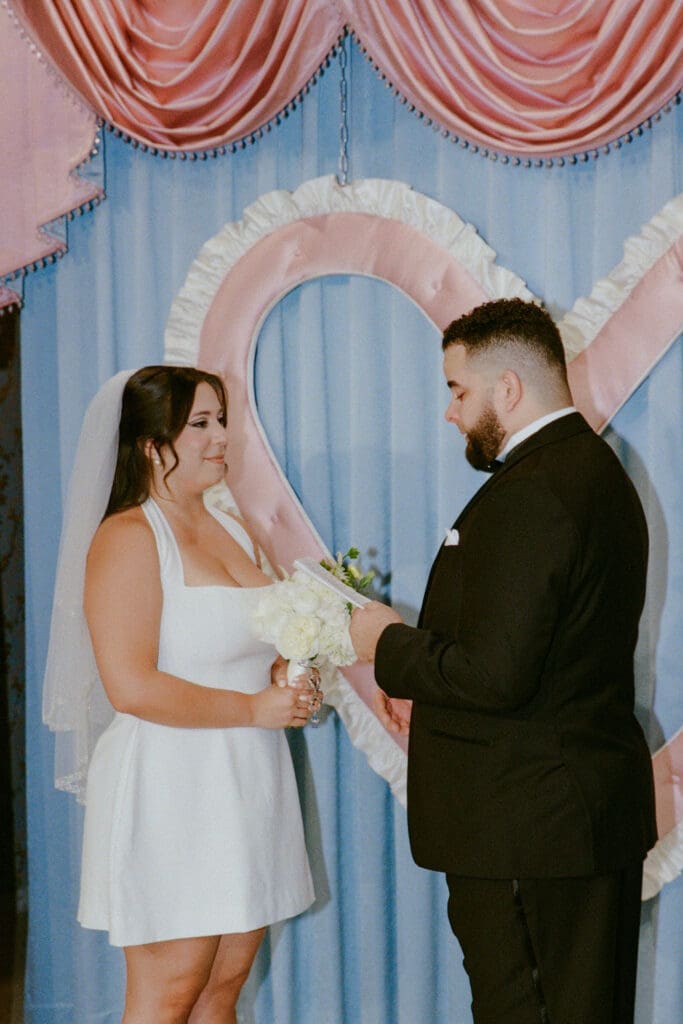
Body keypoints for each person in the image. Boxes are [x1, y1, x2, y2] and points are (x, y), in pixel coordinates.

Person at [349, 298, 657, 1024]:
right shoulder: (588, 471)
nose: (450, 412)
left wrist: (383, 643)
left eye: (457, 390)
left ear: (507, 388)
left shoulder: (534, 493)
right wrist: (428, 685)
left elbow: (494, 675)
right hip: (557, 817)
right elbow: (539, 659)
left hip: (529, 826)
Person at [43, 366, 318, 1023]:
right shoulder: (128, 537)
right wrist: (255, 708)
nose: (222, 435)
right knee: (169, 994)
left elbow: (248, 644)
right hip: (173, 786)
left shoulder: (236, 528)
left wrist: (283, 672)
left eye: (221, 419)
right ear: (148, 443)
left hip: (248, 778)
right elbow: (131, 685)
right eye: (201, 423)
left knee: (222, 988)